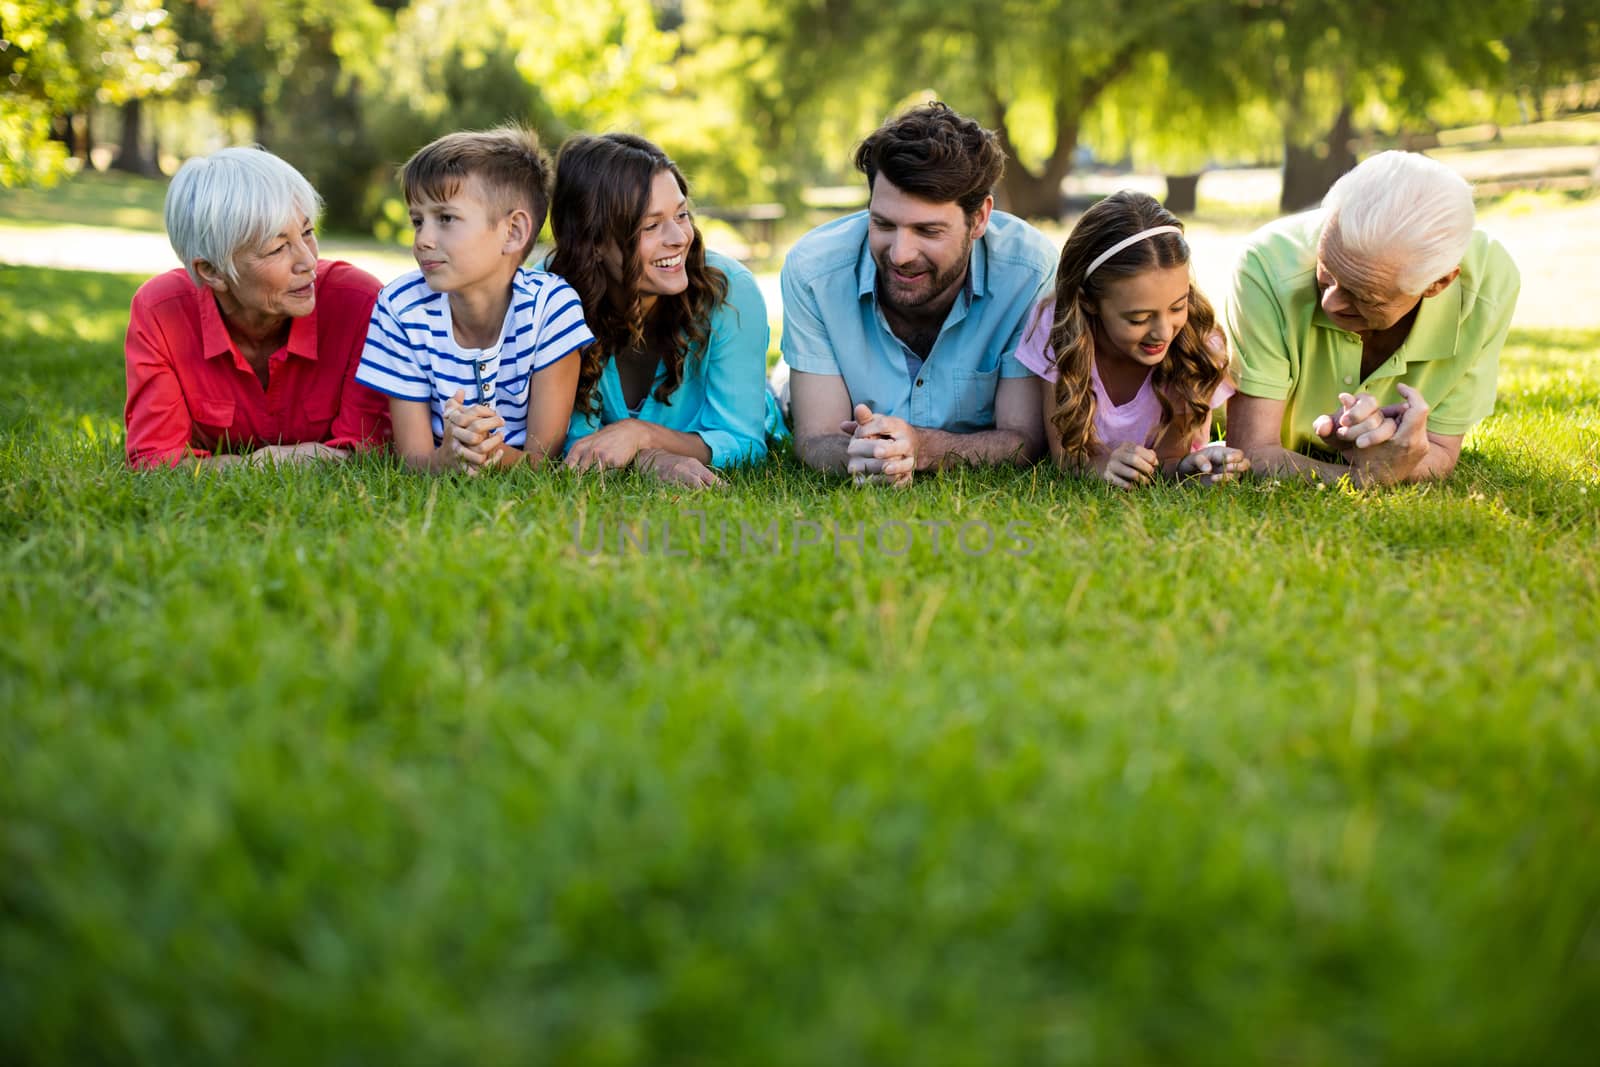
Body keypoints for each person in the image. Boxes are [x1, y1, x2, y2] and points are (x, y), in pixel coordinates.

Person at [781, 102, 1057, 486]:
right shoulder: (813, 272)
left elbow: (1023, 440)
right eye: (883, 224)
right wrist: (865, 457)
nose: (900, 255)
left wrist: (921, 448)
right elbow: (814, 438)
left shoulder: (1029, 273)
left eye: (928, 231)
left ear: (978, 219)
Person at [1224, 150, 1520, 486]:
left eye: (1361, 294)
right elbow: (1252, 449)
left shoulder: (1488, 287)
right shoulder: (1267, 263)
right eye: (1326, 270)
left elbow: (1439, 451)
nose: (1330, 301)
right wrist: (1364, 479)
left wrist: (1394, 455)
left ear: (1438, 283)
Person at [124, 147, 390, 468]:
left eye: (307, 232)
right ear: (212, 271)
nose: (309, 261)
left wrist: (268, 461)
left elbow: (369, 451)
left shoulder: (359, 303)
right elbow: (155, 460)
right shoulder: (161, 312)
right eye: (277, 248)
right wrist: (262, 465)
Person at [355, 127, 592, 473]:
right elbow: (413, 461)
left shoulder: (551, 309)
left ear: (513, 232)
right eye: (418, 221)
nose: (423, 239)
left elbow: (542, 461)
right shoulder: (400, 309)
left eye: (446, 218)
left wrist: (486, 451)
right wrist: (446, 458)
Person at [549, 133, 778, 489]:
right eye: (651, 225)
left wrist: (639, 435)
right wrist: (647, 458)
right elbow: (564, 443)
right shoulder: (549, 299)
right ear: (592, 242)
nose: (679, 237)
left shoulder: (730, 292)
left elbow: (743, 440)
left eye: (682, 214)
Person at [1013, 191, 1248, 488]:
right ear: (1088, 301)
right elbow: (1066, 456)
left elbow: (1170, 460)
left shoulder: (1197, 345)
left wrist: (1189, 468)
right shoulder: (1057, 329)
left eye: (1177, 306)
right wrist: (1101, 466)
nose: (1163, 332)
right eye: (1138, 319)